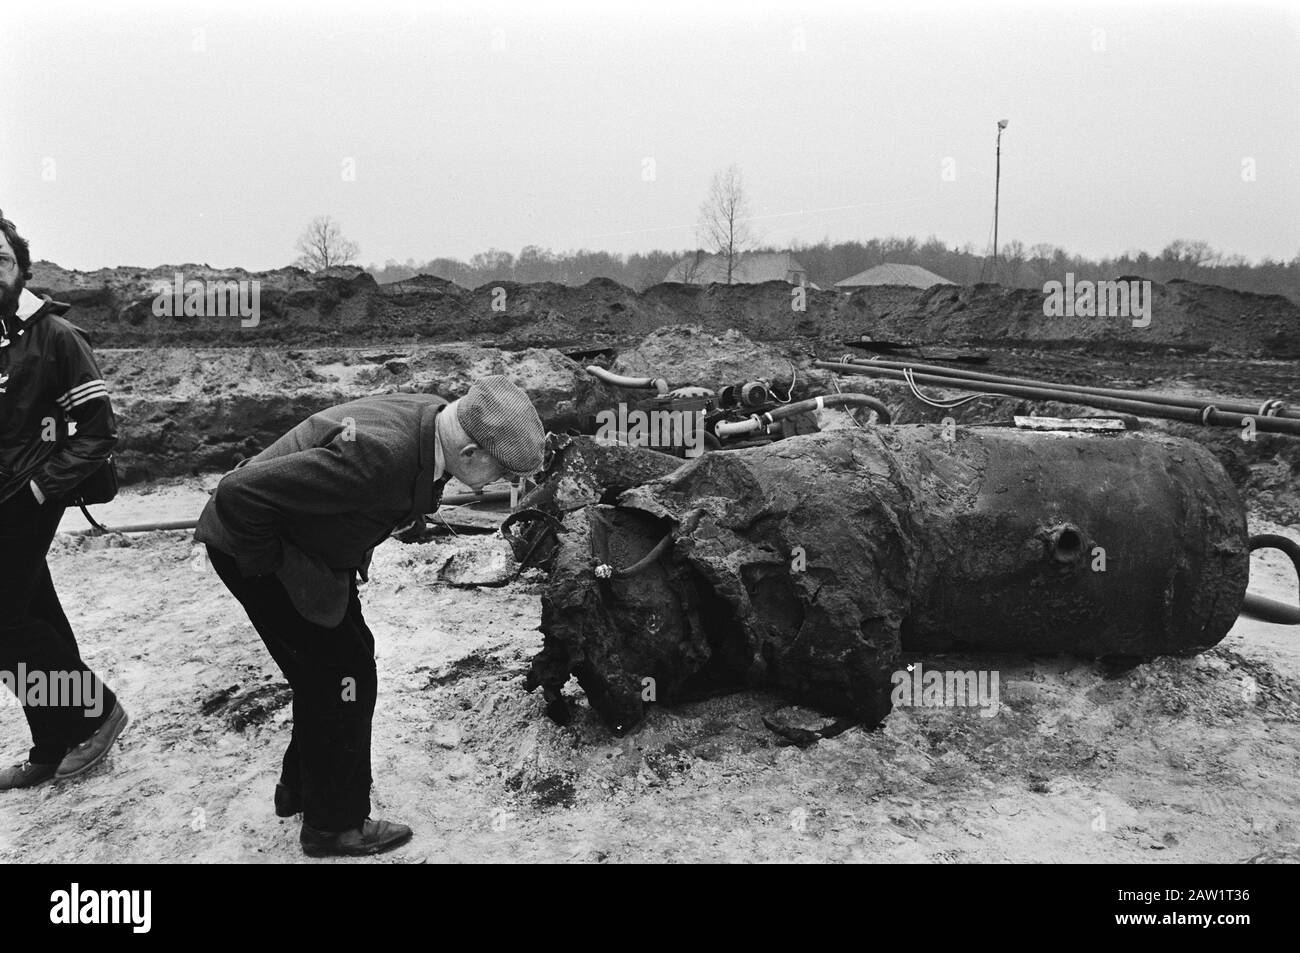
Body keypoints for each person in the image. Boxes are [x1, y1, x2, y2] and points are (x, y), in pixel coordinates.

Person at [195, 376, 545, 857]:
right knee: (345, 679)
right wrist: (283, 577)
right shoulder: (384, 456)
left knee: (338, 669)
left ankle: (299, 788)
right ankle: (333, 826)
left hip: (299, 551)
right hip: (256, 550)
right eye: (501, 472)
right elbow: (237, 494)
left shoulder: (436, 418)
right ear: (469, 456)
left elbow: (384, 490)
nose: (501, 484)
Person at [0, 210, 128, 791]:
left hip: (31, 494)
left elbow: (99, 430)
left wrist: (41, 485)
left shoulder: (56, 336)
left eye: (0, 260)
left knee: (6, 622)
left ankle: (96, 712)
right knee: (33, 615)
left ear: (21, 268)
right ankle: (53, 742)